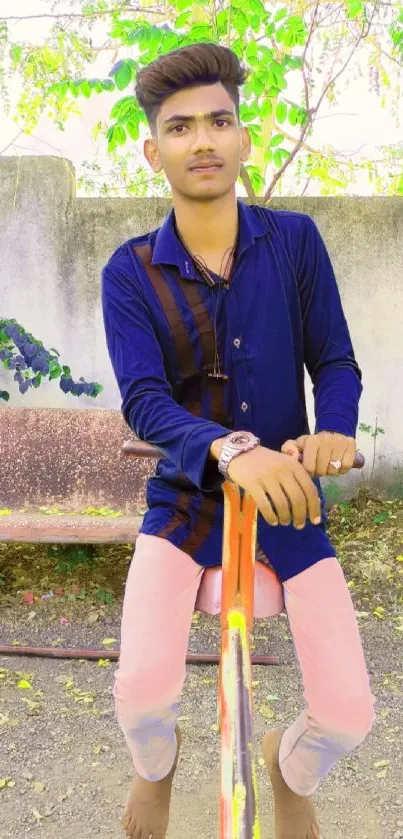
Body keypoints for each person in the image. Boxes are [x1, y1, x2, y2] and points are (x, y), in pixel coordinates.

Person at [101, 42, 376, 839]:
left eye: (219, 121)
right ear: (154, 151)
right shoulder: (131, 270)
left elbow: (332, 358)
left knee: (347, 713)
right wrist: (228, 449)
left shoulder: (293, 241)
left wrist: (333, 428)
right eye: (180, 127)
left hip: (288, 505)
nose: (203, 140)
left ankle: (287, 770)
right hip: (186, 504)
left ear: (244, 138)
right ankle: (157, 765)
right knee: (140, 695)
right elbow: (145, 402)